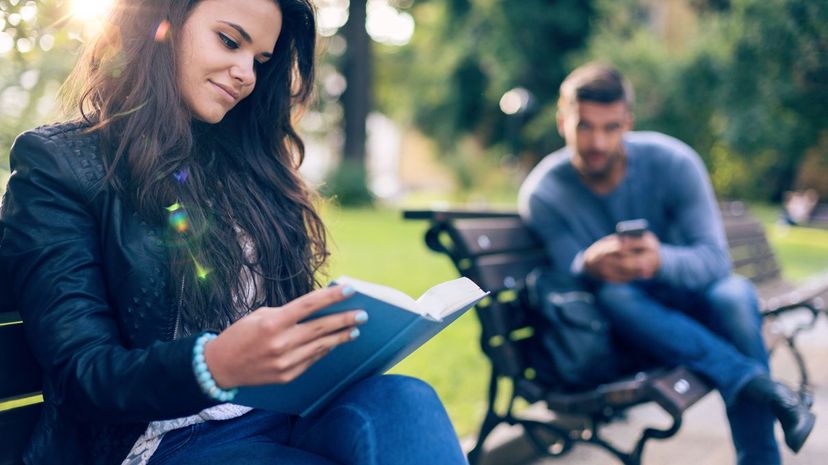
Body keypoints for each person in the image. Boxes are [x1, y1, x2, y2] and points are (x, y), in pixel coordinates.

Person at [0, 1, 468, 464]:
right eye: (229, 41)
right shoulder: (60, 166)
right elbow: (82, 375)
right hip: (165, 442)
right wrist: (213, 364)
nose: (246, 73)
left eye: (260, 61)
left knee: (404, 400)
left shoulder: (245, 162)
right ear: (161, 23)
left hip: (285, 410)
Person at [518, 62, 815, 465]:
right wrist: (588, 264)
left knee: (734, 295)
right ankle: (764, 388)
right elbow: (568, 271)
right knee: (614, 295)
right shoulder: (544, 192)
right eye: (584, 126)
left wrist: (659, 261)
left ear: (628, 123)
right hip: (628, 325)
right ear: (561, 122)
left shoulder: (674, 162)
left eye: (611, 127)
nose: (598, 142)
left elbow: (714, 261)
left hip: (692, 298)